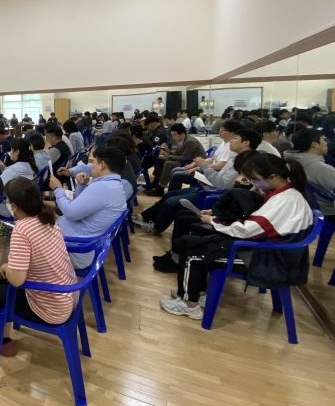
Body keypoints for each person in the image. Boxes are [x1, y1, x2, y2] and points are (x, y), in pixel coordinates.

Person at [159, 153, 313, 320]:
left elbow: (246, 230)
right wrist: (218, 219)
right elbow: (256, 226)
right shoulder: (288, 194)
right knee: (197, 243)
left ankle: (190, 305)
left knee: (193, 255)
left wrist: (214, 221)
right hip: (273, 251)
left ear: (273, 177)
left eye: (255, 180)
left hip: (269, 259)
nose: (253, 184)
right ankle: (196, 293)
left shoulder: (283, 201)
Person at [0, 177, 78, 356]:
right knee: (2, 282)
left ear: (15, 206)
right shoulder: (49, 220)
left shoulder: (22, 230)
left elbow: (17, 280)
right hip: (68, 296)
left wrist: (7, 268)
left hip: (50, 308)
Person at [138, 129, 261, 236]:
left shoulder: (244, 162)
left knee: (171, 202)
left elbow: (223, 185)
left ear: (246, 143)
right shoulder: (235, 157)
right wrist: (202, 168)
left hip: (215, 193)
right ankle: (145, 217)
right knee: (169, 195)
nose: (231, 141)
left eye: (235, 138)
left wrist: (204, 167)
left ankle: (156, 228)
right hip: (210, 187)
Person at [48, 146, 127, 269]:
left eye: (94, 162)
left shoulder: (102, 187)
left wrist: (58, 189)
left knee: (26, 233)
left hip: (73, 248)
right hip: (81, 241)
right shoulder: (114, 185)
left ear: (102, 165)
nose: (91, 166)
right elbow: (78, 206)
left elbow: (70, 212)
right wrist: (82, 185)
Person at [285, 128, 335, 221]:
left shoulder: (289, 162)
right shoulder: (321, 168)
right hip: (328, 214)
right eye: (323, 139)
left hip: (306, 212)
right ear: (314, 144)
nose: (326, 143)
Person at [144, 124, 206, 196]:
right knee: (160, 159)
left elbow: (185, 157)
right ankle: (158, 183)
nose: (173, 137)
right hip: (188, 161)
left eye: (175, 135)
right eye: (172, 135)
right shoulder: (183, 139)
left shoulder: (190, 142)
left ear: (182, 134)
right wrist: (167, 151)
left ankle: (160, 189)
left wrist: (169, 156)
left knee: (168, 164)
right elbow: (178, 153)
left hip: (193, 163)